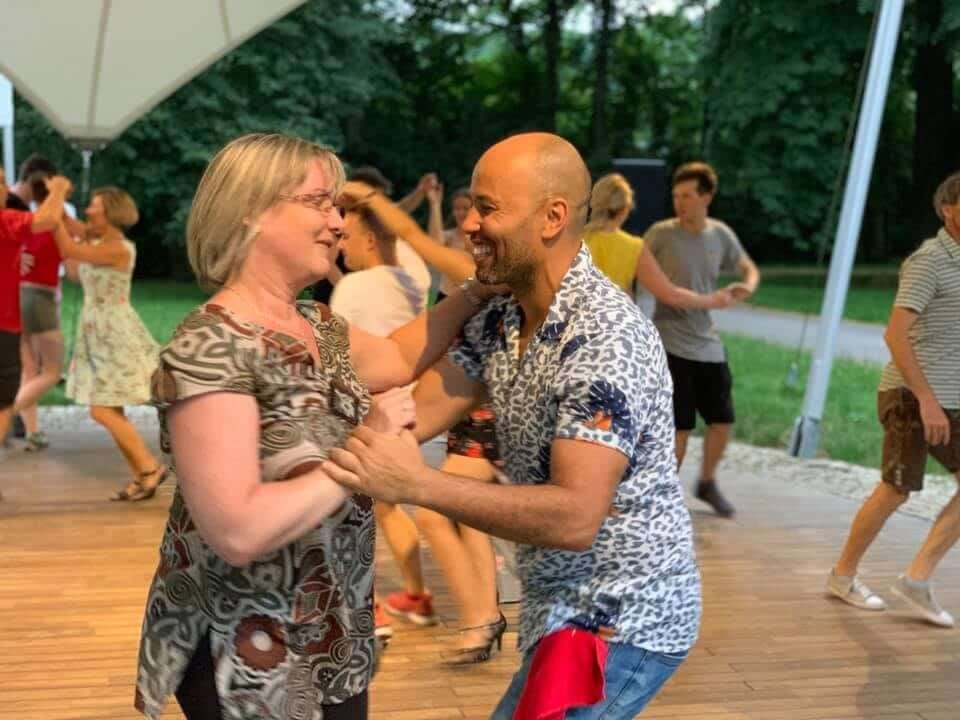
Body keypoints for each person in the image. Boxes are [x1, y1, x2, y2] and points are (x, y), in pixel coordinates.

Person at [325, 133, 702, 718]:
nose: (470, 223)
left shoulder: (603, 337)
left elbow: (577, 517)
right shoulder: (504, 315)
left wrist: (417, 486)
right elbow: (416, 409)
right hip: (561, 609)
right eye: (471, 205)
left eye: (487, 207)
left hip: (621, 620)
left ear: (553, 217)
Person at [132, 133, 496, 720]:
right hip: (245, 646)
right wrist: (366, 447)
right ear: (251, 210)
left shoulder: (316, 323)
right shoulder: (209, 346)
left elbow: (403, 359)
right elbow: (238, 529)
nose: (337, 223)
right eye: (319, 203)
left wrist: (483, 294)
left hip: (332, 626)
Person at [343, 181, 505, 664]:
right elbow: (415, 237)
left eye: (483, 213)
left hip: (484, 407)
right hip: (469, 402)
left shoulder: (487, 274)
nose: (471, 226)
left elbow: (416, 235)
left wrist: (371, 201)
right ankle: (484, 619)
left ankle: (480, 621)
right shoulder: (464, 273)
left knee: (437, 513)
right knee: (468, 519)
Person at [827, 171, 960, 628]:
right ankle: (843, 576)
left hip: (950, 399)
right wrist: (926, 401)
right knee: (896, 488)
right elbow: (895, 334)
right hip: (910, 396)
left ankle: (916, 579)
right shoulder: (929, 261)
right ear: (949, 209)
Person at [330, 199, 435, 641]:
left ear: (370, 239)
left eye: (347, 237)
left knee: (351, 512)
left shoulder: (352, 289)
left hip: (366, 413)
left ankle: (370, 608)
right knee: (390, 506)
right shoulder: (411, 279)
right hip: (408, 408)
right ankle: (417, 594)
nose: (340, 245)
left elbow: (338, 353)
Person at [644, 162, 760, 518]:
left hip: (707, 343)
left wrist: (746, 287)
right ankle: (664, 496)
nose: (680, 203)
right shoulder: (660, 235)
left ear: (707, 197)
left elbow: (748, 268)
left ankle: (707, 482)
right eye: (676, 196)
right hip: (670, 341)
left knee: (722, 421)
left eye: (688, 196)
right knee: (680, 428)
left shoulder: (719, 234)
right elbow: (648, 282)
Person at [50, 187, 165, 501]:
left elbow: (67, 245)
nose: (88, 211)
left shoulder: (119, 249)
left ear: (110, 213)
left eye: (94, 207)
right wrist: (54, 199)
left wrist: (56, 202)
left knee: (101, 409)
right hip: (96, 332)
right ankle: (142, 475)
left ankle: (149, 467)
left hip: (113, 333)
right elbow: (71, 234)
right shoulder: (98, 242)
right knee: (109, 407)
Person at [585, 172, 736, 310]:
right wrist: (713, 300)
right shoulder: (633, 247)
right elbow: (672, 295)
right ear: (626, 209)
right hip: (611, 331)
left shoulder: (571, 239)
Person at [0, 169, 68, 452]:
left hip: (14, 315)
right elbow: (49, 220)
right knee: (5, 400)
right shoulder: (6, 220)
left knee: (27, 373)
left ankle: (32, 430)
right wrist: (59, 190)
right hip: (7, 321)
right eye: (1, 182)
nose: (6, 188)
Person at [312, 168, 436, 304]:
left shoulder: (368, 215)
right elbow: (329, 263)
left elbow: (399, 210)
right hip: (332, 293)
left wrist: (420, 191)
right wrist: (352, 293)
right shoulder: (338, 215)